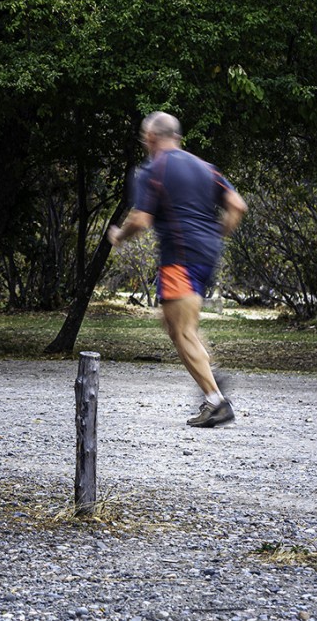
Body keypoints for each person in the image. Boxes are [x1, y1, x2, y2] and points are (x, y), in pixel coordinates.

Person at [108, 112, 247, 428]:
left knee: (181, 331)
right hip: (206, 256)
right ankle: (210, 376)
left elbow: (141, 219)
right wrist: (216, 236)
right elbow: (237, 205)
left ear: (152, 137)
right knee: (175, 325)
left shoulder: (152, 169)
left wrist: (119, 235)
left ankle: (216, 401)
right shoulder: (205, 167)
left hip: (179, 256)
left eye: (145, 136)